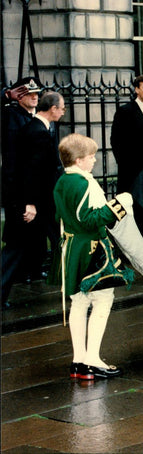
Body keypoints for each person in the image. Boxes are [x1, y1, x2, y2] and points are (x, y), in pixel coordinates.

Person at [50, 133, 133, 380]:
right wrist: (118, 206)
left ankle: (79, 360)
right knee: (103, 299)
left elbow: (62, 218)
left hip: (70, 248)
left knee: (79, 302)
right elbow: (90, 220)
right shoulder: (84, 183)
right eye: (90, 156)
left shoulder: (61, 182)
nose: (95, 160)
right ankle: (93, 359)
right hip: (91, 249)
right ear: (77, 160)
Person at [1, 91, 66, 307]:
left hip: (45, 202)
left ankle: (77, 287)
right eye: (62, 107)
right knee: (16, 249)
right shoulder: (36, 132)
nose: (64, 111)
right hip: (36, 204)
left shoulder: (43, 128)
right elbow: (29, 172)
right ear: (53, 109)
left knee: (62, 241)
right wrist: (29, 203)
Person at [1, 78, 42, 306]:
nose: (35, 97)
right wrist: (24, 199)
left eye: (37, 93)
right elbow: (13, 163)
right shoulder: (11, 117)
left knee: (50, 238)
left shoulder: (35, 118)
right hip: (20, 192)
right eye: (30, 94)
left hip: (37, 191)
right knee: (16, 245)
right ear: (20, 96)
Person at [111, 75, 143, 217]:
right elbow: (115, 141)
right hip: (134, 169)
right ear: (137, 90)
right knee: (135, 206)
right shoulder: (125, 111)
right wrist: (126, 164)